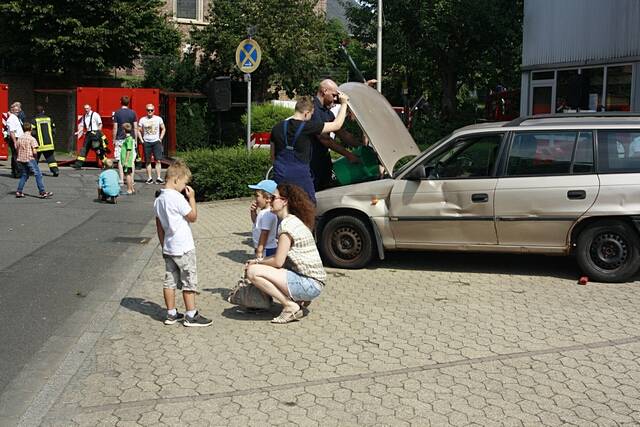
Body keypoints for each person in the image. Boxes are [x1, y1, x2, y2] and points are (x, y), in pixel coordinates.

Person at [245, 183, 326, 324]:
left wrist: (257, 261)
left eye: (273, 197)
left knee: (253, 271)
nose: (269, 200)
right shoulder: (293, 220)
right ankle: (298, 300)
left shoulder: (287, 226)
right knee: (261, 267)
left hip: (310, 284)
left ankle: (289, 306)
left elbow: (278, 261)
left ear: (284, 201)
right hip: (314, 282)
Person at [154, 159, 212, 327]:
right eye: (184, 183)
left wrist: (163, 244)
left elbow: (159, 225)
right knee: (189, 280)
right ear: (177, 179)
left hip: (169, 247)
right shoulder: (177, 198)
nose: (184, 187)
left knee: (169, 281)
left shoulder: (158, 200)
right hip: (184, 247)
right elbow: (192, 217)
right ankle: (191, 314)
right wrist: (192, 198)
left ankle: (171, 313)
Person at [271, 93, 350, 204]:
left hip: (280, 174)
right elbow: (336, 125)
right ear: (306, 113)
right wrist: (344, 103)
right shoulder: (308, 127)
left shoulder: (276, 128)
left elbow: (272, 156)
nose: (310, 118)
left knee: (282, 204)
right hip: (300, 176)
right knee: (308, 206)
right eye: (311, 115)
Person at [309, 79, 363, 191]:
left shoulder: (327, 112)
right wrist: (349, 155)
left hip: (323, 163)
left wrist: (361, 146)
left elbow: (342, 133)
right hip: (311, 165)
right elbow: (325, 139)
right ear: (324, 91)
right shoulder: (313, 109)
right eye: (334, 95)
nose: (335, 99)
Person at [15, 122, 53, 199]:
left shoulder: (19, 138)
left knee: (25, 175)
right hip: (30, 158)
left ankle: (19, 191)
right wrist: (35, 158)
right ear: (31, 129)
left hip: (21, 159)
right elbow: (35, 151)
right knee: (38, 174)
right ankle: (42, 192)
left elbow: (17, 148)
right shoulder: (32, 139)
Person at [248, 179, 278, 259]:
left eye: (257, 196)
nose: (255, 198)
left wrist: (260, 250)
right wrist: (253, 212)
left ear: (268, 199)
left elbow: (264, 233)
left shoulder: (268, 214)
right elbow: (256, 222)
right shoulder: (263, 212)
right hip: (263, 247)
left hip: (266, 249)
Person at [112, 96, 138, 184]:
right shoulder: (133, 113)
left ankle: (121, 179)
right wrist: (136, 140)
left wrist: (114, 139)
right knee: (132, 159)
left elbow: (115, 127)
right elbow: (135, 127)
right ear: (128, 103)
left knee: (120, 159)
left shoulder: (117, 113)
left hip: (120, 138)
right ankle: (132, 179)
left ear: (120, 102)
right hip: (131, 138)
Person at [74, 104, 108, 169]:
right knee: (84, 149)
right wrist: (78, 132)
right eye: (85, 108)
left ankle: (106, 163)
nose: (86, 110)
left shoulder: (95, 115)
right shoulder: (84, 116)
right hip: (88, 134)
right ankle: (78, 165)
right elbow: (82, 126)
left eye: (87, 108)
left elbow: (100, 124)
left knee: (97, 149)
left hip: (95, 133)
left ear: (90, 108)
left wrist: (98, 133)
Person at [138, 103, 165, 184]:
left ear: (154, 111)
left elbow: (163, 128)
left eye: (151, 110)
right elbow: (138, 130)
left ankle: (159, 178)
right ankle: (149, 178)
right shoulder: (142, 119)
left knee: (158, 160)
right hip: (147, 142)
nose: (150, 111)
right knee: (148, 161)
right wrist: (142, 140)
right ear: (146, 110)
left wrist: (160, 138)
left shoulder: (158, 119)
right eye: (148, 110)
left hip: (156, 142)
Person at [31, 105, 59, 177]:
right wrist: (51, 137)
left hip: (39, 144)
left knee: (35, 158)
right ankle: (55, 170)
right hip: (49, 143)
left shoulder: (34, 120)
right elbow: (54, 129)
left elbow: (32, 132)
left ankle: (32, 171)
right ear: (43, 111)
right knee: (51, 158)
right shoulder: (49, 119)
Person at [6, 102, 23, 178]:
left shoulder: (15, 118)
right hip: (15, 138)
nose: (18, 112)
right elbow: (12, 131)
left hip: (17, 138)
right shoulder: (12, 118)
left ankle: (15, 171)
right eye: (16, 110)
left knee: (14, 156)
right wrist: (15, 142)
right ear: (12, 111)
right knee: (16, 156)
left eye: (18, 110)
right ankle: (18, 171)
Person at [120, 123, 136, 195]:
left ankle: (129, 189)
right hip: (126, 160)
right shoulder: (128, 139)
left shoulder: (128, 139)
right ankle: (132, 189)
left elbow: (129, 150)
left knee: (127, 175)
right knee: (128, 174)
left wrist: (126, 161)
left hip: (127, 161)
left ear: (124, 130)